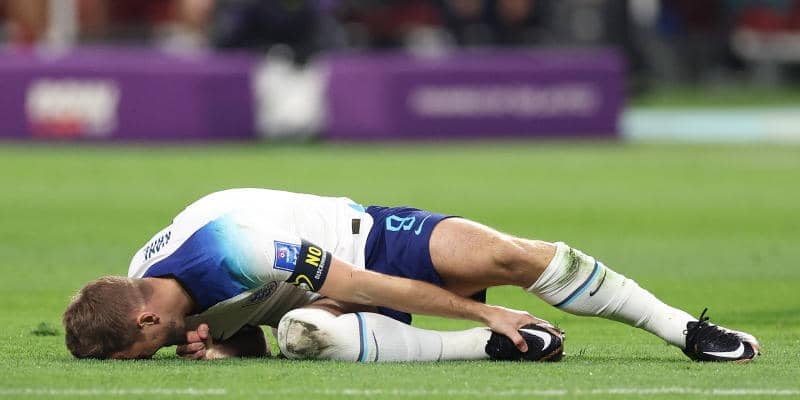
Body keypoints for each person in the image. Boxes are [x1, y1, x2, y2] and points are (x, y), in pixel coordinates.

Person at [63, 188, 759, 363]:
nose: (150, 361)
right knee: (303, 334)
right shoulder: (154, 295)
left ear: (146, 318)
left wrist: (486, 306)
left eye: (141, 353)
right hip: (318, 300)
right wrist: (221, 351)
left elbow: (359, 284)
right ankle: (494, 349)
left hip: (364, 241)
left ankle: (683, 330)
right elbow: (253, 335)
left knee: (506, 258)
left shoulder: (235, 250)